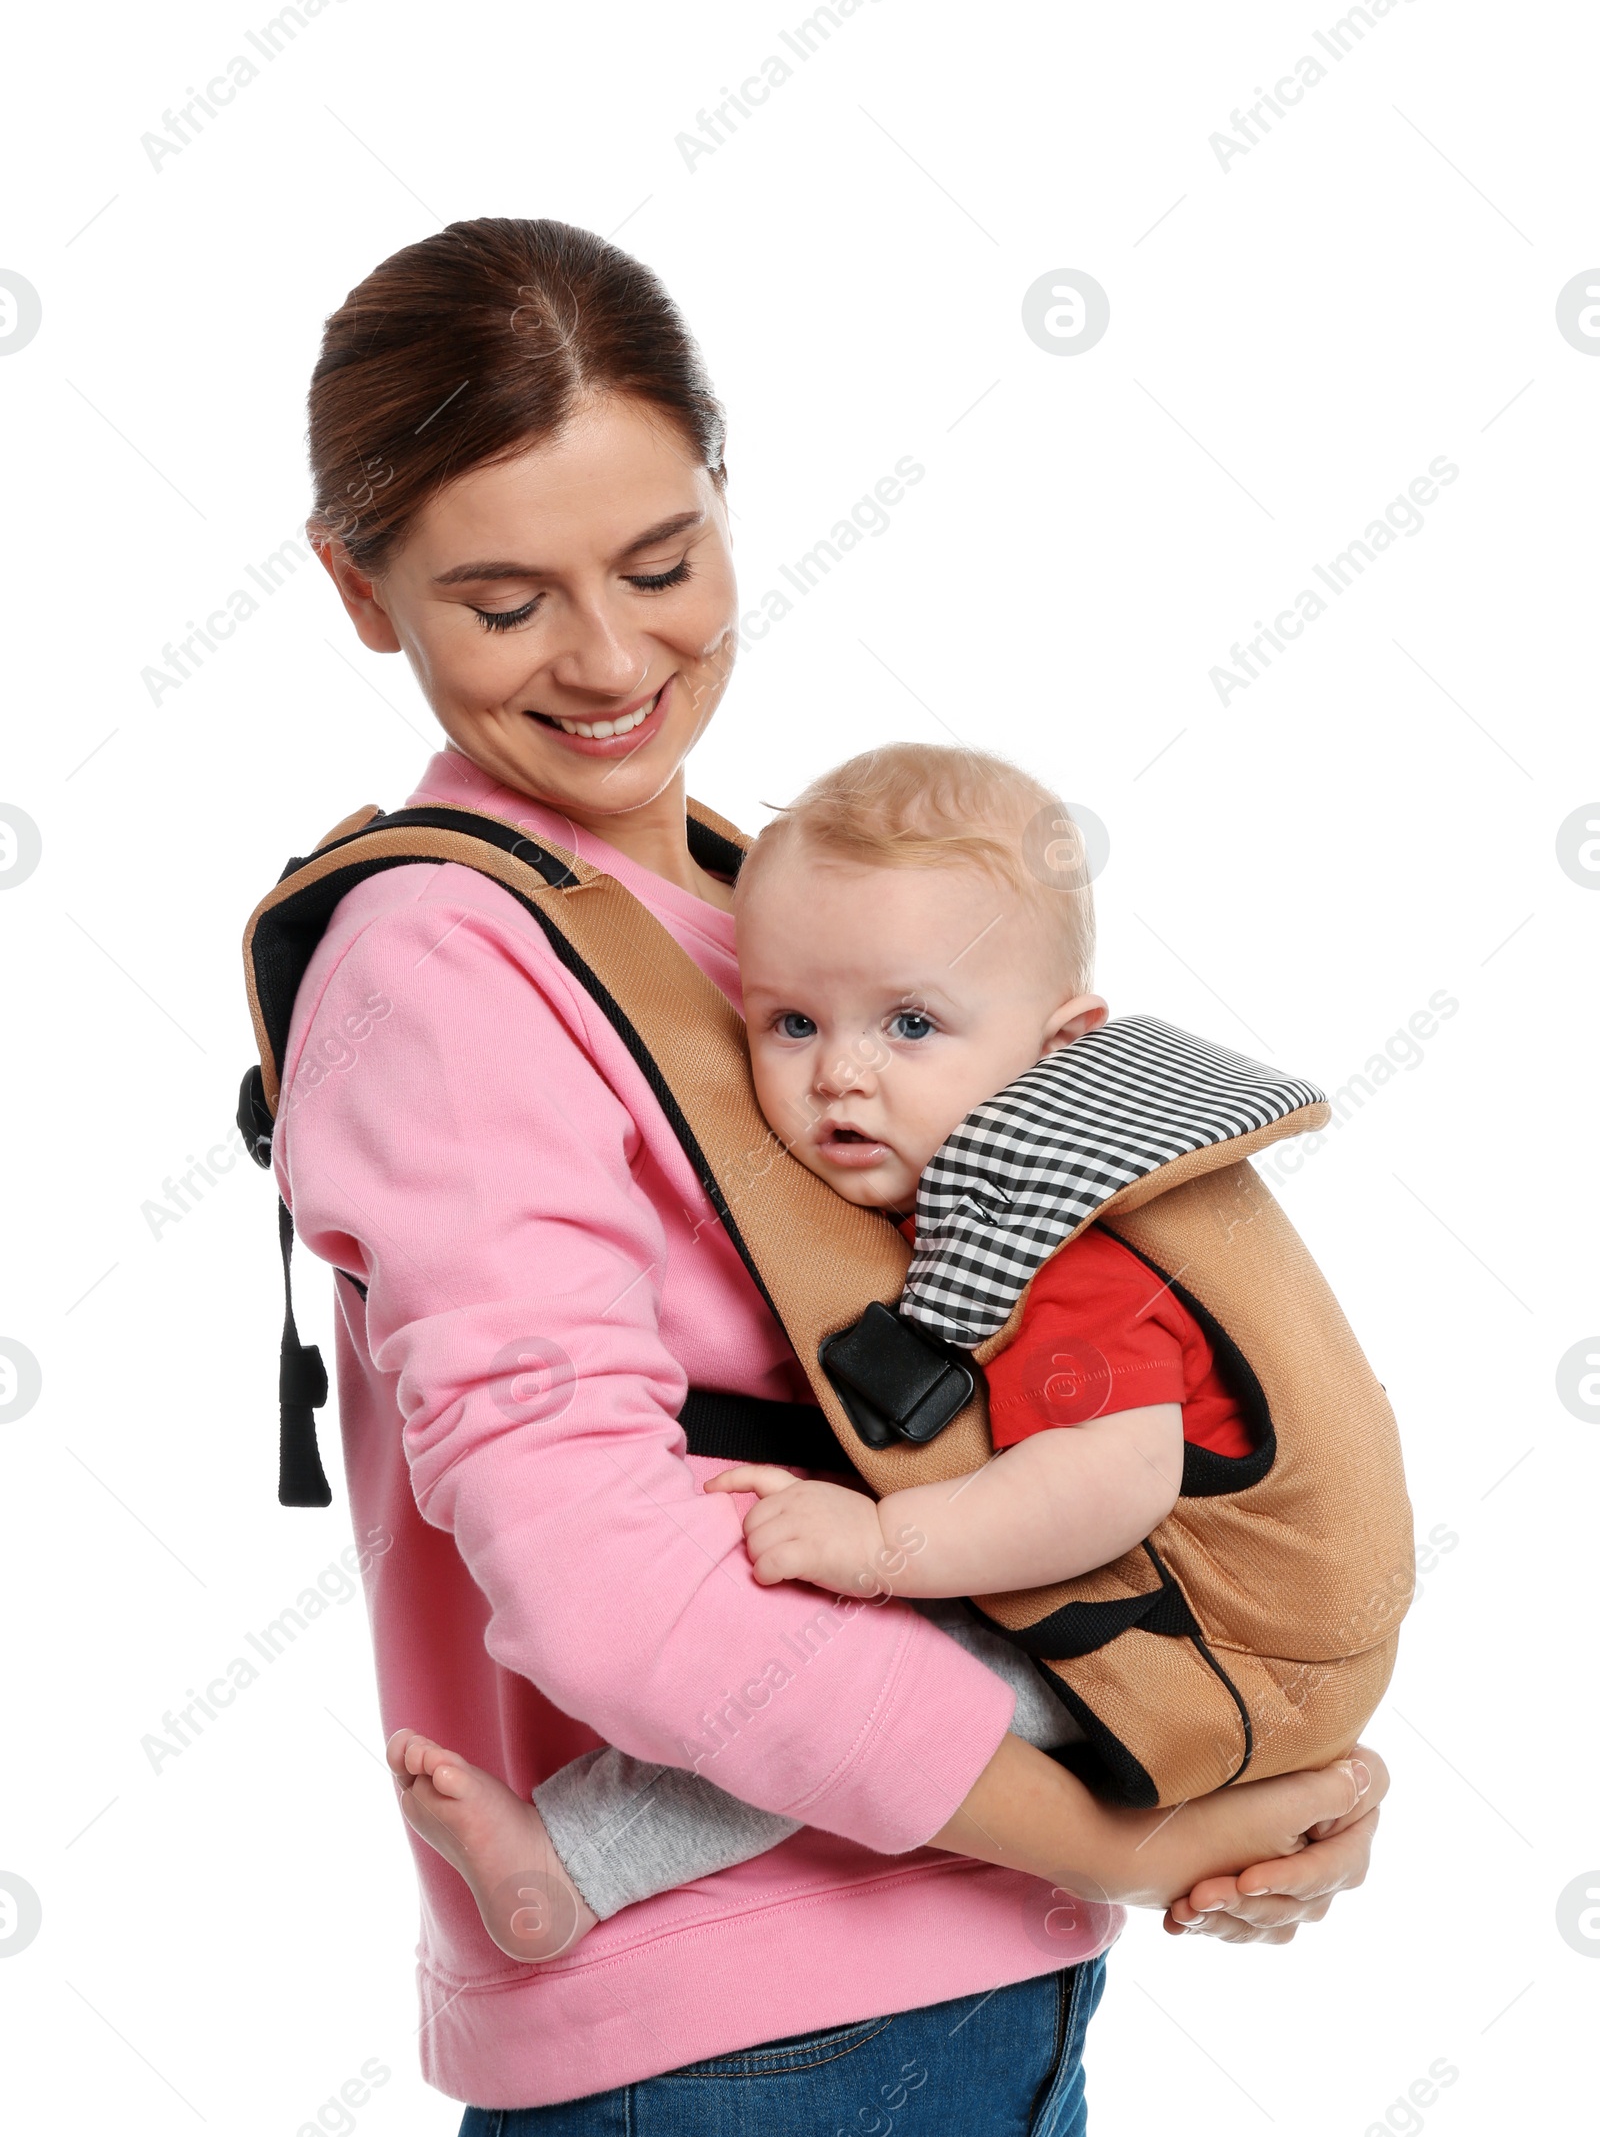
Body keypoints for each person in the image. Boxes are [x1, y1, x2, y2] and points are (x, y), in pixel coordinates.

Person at [284, 215, 1387, 2137]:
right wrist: (1115, 1836)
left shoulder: (762, 904)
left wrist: (1239, 1751)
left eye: (663, 562)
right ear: (362, 592)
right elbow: (607, 1594)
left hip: (986, 2020)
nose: (609, 661)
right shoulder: (444, 957)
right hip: (725, 2073)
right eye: (502, 600)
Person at [385, 737, 1314, 1968]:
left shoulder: (1064, 1248)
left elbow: (1112, 1479)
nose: (839, 1075)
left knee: (877, 1678)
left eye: (911, 1024)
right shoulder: (938, 1202)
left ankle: (576, 1863)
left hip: (1165, 1634)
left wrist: (883, 1550)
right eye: (789, 1022)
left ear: (1059, 1046)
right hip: (1072, 1743)